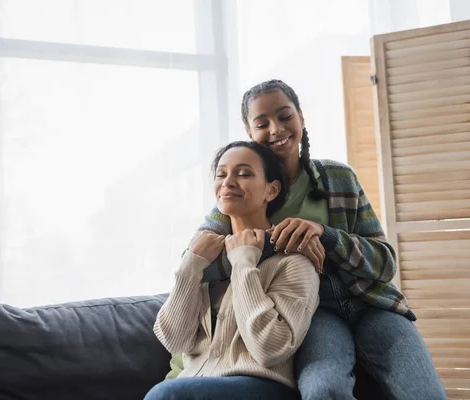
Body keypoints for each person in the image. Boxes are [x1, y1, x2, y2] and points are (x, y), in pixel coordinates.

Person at [165, 80, 446, 400]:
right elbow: (198, 260)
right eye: (262, 123)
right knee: (322, 389)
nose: (276, 129)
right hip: (315, 317)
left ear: (301, 117)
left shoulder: (338, 177)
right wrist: (280, 243)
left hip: (373, 305)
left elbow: (384, 263)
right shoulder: (243, 191)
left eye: (285, 116)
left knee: (424, 392)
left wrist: (325, 235)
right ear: (249, 132)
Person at [145, 141, 320, 400]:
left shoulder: (293, 261)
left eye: (244, 173)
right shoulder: (207, 258)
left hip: (264, 387)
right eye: (221, 174)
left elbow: (269, 349)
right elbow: (175, 341)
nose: (228, 182)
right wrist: (190, 268)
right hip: (194, 385)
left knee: (166, 396)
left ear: (271, 190)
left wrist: (243, 263)